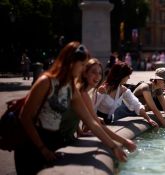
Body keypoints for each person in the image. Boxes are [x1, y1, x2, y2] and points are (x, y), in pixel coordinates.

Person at [15, 41, 128, 175]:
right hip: (31, 147)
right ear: (70, 62)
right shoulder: (45, 82)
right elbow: (25, 117)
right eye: (82, 65)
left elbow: (91, 121)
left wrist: (114, 147)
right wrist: (42, 148)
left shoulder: (71, 88)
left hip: (53, 144)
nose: (83, 69)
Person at [76, 58, 136, 151]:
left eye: (100, 73)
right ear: (84, 73)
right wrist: (121, 143)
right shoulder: (82, 92)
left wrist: (79, 131)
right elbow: (94, 123)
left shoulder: (85, 93)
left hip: (104, 122)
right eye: (93, 72)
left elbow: (88, 119)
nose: (98, 76)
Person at [96, 61, 158, 127]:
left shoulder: (123, 89)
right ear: (121, 75)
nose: (129, 78)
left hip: (109, 121)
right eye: (128, 75)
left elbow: (136, 104)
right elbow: (92, 107)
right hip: (97, 121)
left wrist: (149, 119)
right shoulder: (103, 88)